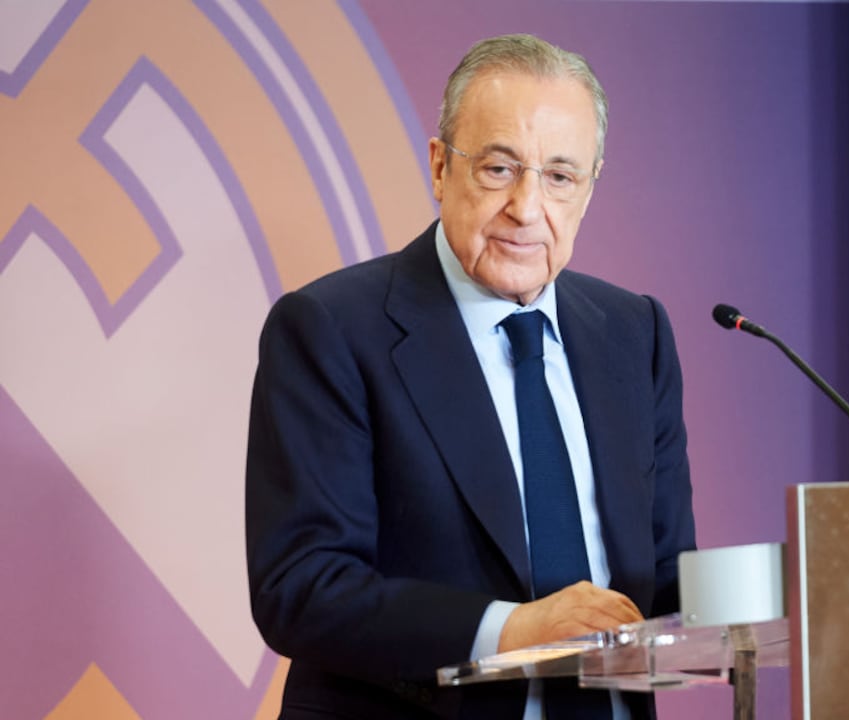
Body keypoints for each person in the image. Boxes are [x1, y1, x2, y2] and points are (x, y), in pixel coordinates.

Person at [245, 34, 696, 719]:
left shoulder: (635, 334)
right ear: (439, 166)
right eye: (497, 169)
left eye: (559, 176)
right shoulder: (330, 329)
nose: (526, 206)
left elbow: (665, 582)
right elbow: (302, 588)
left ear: (590, 185)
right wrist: (513, 632)